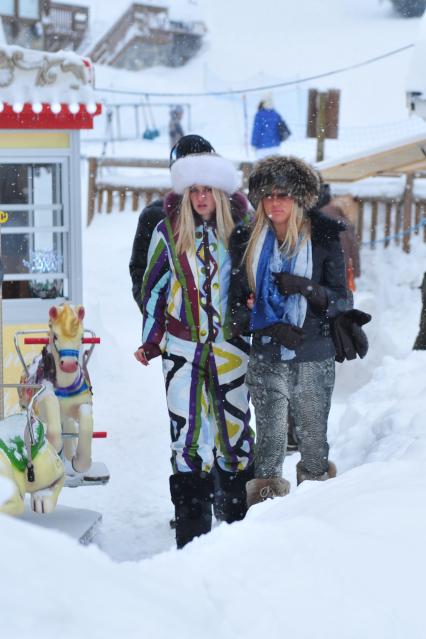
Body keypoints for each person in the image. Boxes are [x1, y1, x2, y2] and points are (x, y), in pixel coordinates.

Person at [134, 142, 254, 548]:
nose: (201, 198)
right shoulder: (167, 231)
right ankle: (191, 534)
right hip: (182, 350)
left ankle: (240, 529)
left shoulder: (242, 229)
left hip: (231, 348)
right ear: (185, 194)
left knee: (234, 433)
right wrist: (151, 340)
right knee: (186, 437)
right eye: (194, 191)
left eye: (208, 190)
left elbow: (258, 279)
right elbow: (153, 287)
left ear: (219, 193)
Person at [228, 155, 349, 507]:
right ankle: (265, 523)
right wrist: (261, 319)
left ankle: (316, 517)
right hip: (266, 356)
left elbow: (342, 302)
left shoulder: (324, 237)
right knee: (268, 447)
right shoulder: (246, 240)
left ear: (299, 198)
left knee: (313, 444)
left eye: (283, 195)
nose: (274, 203)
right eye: (267, 195)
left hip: (314, 356)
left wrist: (304, 287)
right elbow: (233, 312)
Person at [129, 135, 215, 311]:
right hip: (173, 331)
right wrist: (155, 315)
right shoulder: (155, 217)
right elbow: (140, 271)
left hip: (222, 331)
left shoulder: (228, 216)